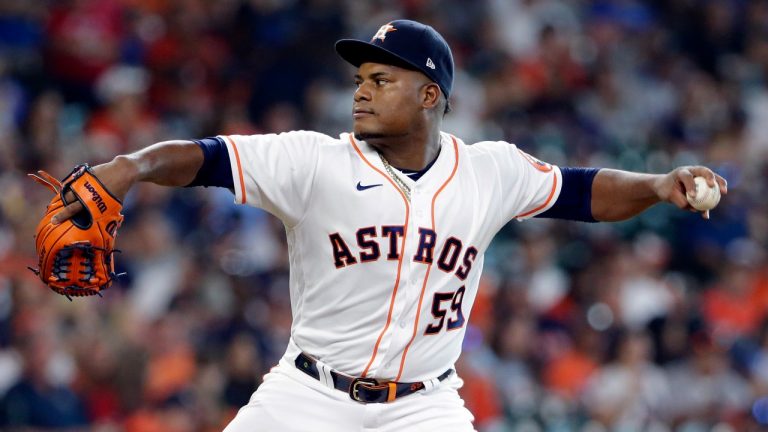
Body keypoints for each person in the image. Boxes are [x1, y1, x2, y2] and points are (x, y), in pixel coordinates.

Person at [48, 19, 727, 432]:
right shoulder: (314, 160)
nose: (362, 90)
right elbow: (205, 158)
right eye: (359, 79)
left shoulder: (489, 170)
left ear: (431, 96)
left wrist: (659, 186)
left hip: (424, 409)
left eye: (381, 79)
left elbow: (583, 193)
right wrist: (131, 166)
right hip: (309, 394)